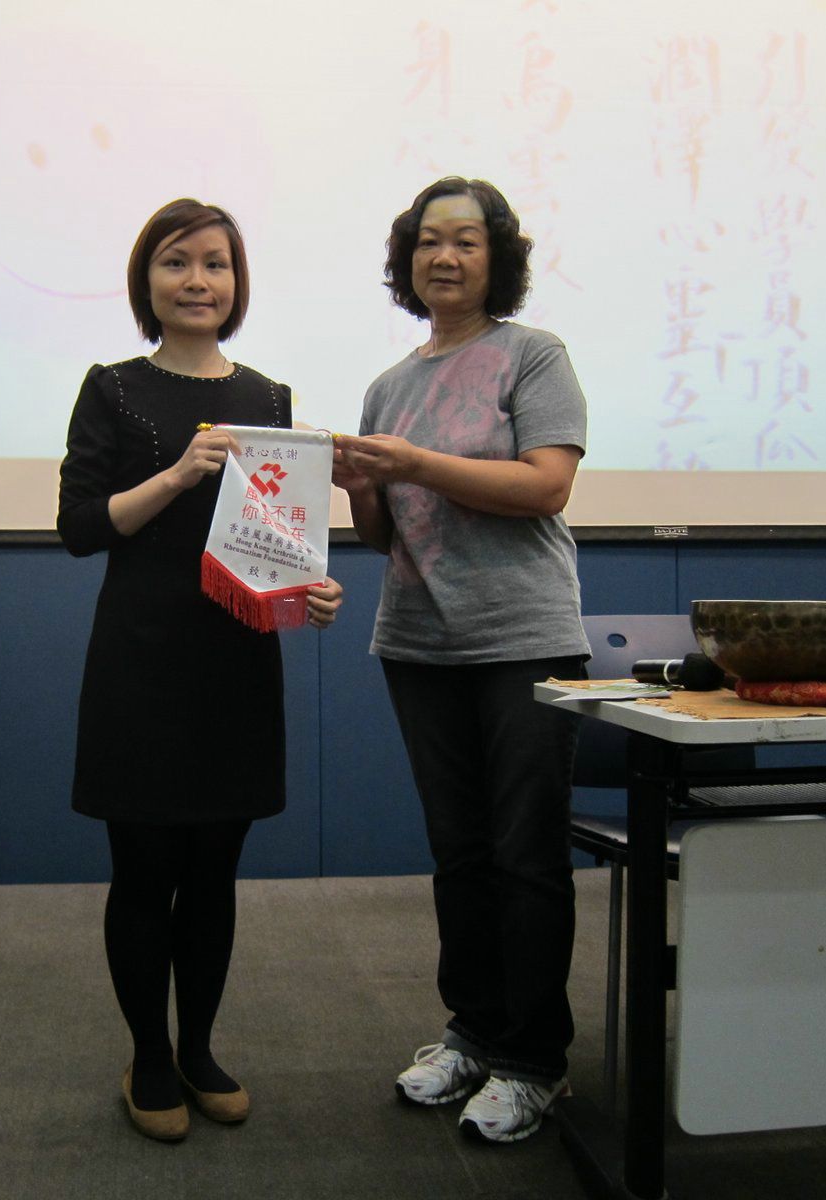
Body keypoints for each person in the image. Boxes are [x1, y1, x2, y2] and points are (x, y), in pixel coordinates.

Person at [57, 199, 343, 1142]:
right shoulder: (114, 389)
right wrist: (180, 473)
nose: (197, 281)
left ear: (236, 282)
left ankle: (200, 1049)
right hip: (141, 663)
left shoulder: (269, 400)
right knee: (144, 871)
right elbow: (80, 528)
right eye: (176, 262)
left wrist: (309, 591)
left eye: (215, 264)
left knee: (216, 872)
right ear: (146, 279)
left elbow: (278, 544)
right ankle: (148, 1055)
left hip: (236, 666)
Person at [333, 177, 589, 1145]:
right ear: (407, 260)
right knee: (460, 853)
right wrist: (361, 486)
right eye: (428, 242)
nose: (444, 257)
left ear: (498, 259)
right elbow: (381, 534)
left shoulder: (532, 355)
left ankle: (534, 1060)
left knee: (527, 856)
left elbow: (545, 487)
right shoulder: (388, 387)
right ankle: (474, 1032)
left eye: (467, 242)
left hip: (522, 636)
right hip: (417, 640)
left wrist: (411, 464)